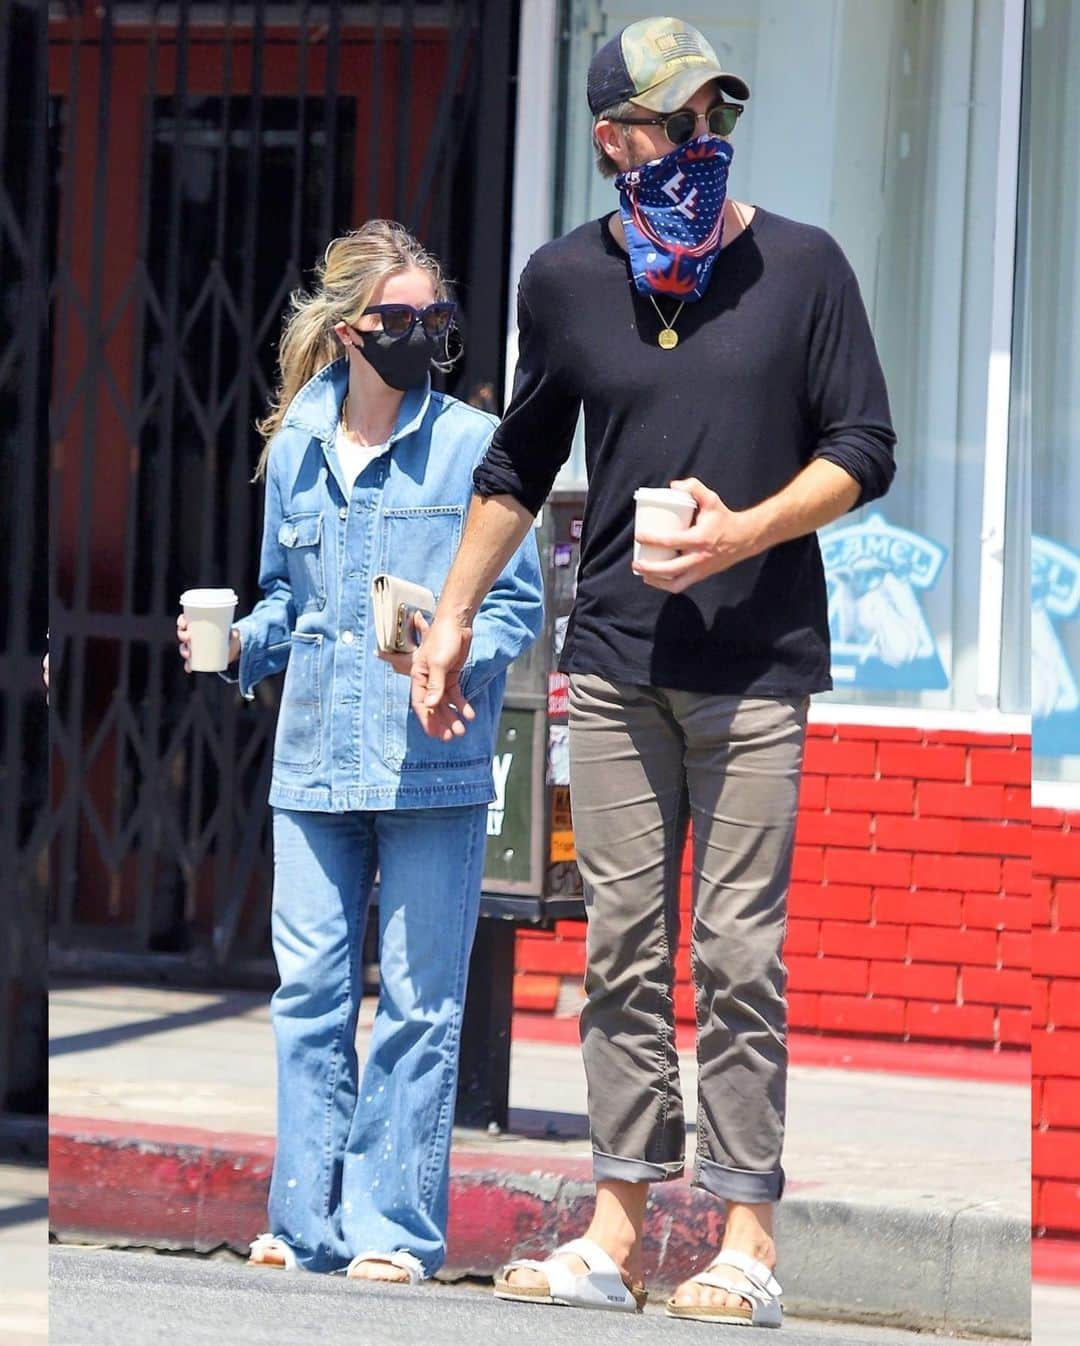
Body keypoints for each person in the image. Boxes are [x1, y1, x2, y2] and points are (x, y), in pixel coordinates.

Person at [411, 16, 895, 1327]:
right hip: (617, 663)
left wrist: (745, 529)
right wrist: (453, 614)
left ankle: (746, 1243)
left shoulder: (803, 268)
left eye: (707, 120)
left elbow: (866, 442)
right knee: (623, 948)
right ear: (612, 140)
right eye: (667, 124)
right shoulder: (564, 281)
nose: (693, 143)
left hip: (756, 669)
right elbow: (519, 461)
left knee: (738, 953)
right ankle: (616, 1231)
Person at [176, 220, 542, 1284]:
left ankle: (393, 1230)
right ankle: (305, 1222)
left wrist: (458, 650)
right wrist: (242, 644)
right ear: (346, 332)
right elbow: (288, 596)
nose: (422, 335)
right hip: (313, 761)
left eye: (437, 318)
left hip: (430, 761)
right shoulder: (294, 446)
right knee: (311, 994)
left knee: (422, 1004)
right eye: (399, 319)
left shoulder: (473, 446)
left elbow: (515, 605)